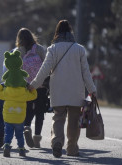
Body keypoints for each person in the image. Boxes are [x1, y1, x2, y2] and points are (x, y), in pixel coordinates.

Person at [28, 20, 97, 158]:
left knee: (58, 117)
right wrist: (92, 89)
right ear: (70, 32)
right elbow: (86, 72)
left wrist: (33, 85)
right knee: (74, 120)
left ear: (57, 33)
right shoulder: (80, 49)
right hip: (76, 91)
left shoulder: (53, 49)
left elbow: (44, 69)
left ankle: (57, 143)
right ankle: (71, 149)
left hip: (58, 90)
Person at [0, 50, 37, 157]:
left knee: (8, 133)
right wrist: (31, 88)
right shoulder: (24, 92)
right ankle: (21, 149)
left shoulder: (6, 92)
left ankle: (6, 145)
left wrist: (1, 85)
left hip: (8, 117)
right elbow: (34, 96)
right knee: (19, 134)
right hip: (19, 118)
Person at [14, 27, 47, 148]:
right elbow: (47, 66)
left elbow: (15, 70)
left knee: (27, 110)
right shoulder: (39, 49)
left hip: (26, 86)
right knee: (40, 113)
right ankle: (37, 138)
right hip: (41, 86)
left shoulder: (18, 51)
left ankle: (26, 127)